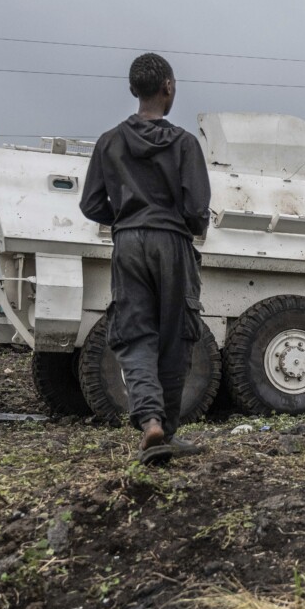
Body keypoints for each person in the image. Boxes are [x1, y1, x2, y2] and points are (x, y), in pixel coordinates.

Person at [80, 52, 211, 464]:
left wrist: (124, 218)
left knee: (135, 335)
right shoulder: (186, 143)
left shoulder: (109, 142)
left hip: (128, 244)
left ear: (134, 89)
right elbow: (197, 210)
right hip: (172, 242)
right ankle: (166, 430)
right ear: (168, 87)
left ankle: (152, 425)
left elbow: (89, 205)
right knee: (176, 337)